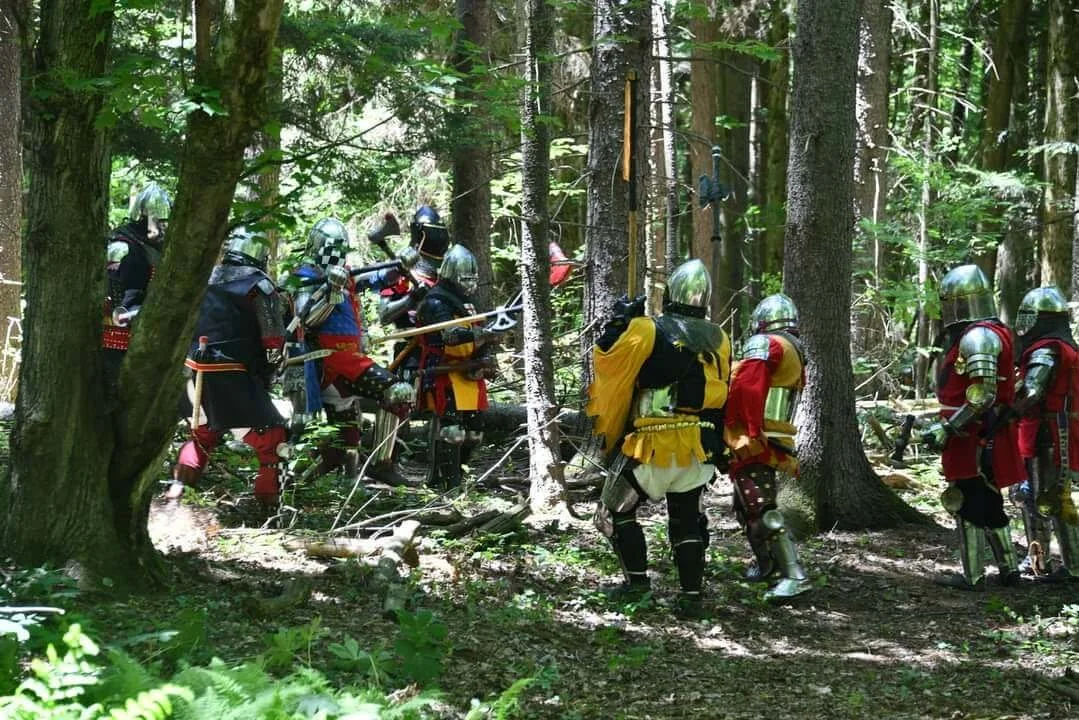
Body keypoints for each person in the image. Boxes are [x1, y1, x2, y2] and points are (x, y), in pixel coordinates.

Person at [586, 259, 731, 619]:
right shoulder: (720, 337)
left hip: (651, 444)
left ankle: (637, 585)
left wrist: (621, 322)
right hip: (699, 447)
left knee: (613, 511)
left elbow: (607, 357)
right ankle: (691, 596)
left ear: (669, 296)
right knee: (685, 520)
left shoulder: (648, 329)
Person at [919, 264, 1025, 589]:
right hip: (983, 431)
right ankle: (1009, 569)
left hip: (975, 434)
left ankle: (973, 574)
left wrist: (948, 428)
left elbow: (983, 396)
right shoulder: (986, 332)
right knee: (990, 500)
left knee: (968, 500)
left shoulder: (978, 336)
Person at [290, 217, 414, 484]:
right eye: (331, 247)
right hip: (328, 362)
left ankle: (306, 482)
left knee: (344, 440)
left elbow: (375, 278)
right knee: (398, 392)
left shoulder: (347, 275)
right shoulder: (305, 277)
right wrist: (330, 289)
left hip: (351, 360)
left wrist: (399, 268)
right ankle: (381, 465)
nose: (335, 254)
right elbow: (307, 320)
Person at [169, 228, 287, 506]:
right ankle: (271, 512)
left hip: (192, 372)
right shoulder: (259, 285)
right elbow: (273, 342)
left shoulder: (204, 279)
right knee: (274, 439)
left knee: (201, 437)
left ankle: (173, 501)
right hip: (232, 377)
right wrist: (270, 373)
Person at [724, 294, 812, 601]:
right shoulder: (792, 347)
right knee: (746, 503)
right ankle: (767, 564)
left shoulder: (768, 344)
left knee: (762, 508)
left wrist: (743, 431)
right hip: (771, 433)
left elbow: (747, 388)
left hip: (759, 435)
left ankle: (794, 575)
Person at [372, 206, 449, 480]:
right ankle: (383, 462)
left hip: (439, 350)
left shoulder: (443, 273)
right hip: (408, 348)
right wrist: (411, 299)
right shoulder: (400, 272)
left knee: (446, 406)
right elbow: (384, 314)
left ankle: (441, 467)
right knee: (398, 399)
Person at [1010, 286, 1079, 579]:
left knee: (1043, 498)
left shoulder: (1046, 350)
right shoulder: (1064, 347)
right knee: (1048, 496)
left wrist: (1007, 409)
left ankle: (1054, 564)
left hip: (1047, 434)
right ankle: (1061, 562)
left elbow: (1032, 390)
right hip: (1052, 430)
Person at [415, 243, 496, 490]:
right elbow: (449, 336)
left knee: (474, 434)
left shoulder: (468, 302)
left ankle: (458, 477)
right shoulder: (436, 301)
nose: (469, 282)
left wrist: (484, 354)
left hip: (469, 374)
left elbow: (480, 334)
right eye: (465, 277)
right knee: (452, 431)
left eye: (472, 277)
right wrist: (483, 333)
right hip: (444, 372)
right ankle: (445, 485)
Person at [102, 182, 171, 388]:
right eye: (160, 221)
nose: (164, 227)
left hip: (144, 335)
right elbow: (119, 307)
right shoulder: (122, 247)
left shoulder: (148, 247)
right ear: (146, 219)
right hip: (118, 336)